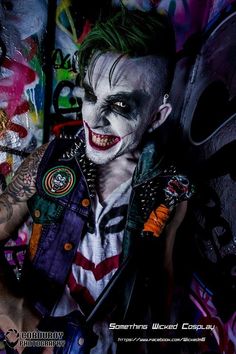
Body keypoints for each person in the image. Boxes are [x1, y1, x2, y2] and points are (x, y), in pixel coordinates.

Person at [0, 8, 194, 354]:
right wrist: (19, 319)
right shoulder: (49, 161)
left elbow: (161, 282)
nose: (95, 119)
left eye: (120, 105)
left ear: (158, 115)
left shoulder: (171, 188)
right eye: (90, 96)